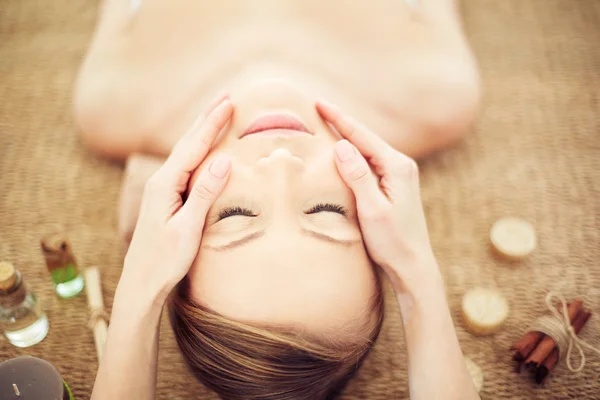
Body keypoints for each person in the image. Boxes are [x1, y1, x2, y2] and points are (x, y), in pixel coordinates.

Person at [77, 1, 481, 399]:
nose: (281, 165)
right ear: (384, 220)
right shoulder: (437, 93)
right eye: (325, 210)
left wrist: (138, 289)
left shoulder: (112, 100)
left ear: (173, 218)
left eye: (235, 214)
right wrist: (418, 273)